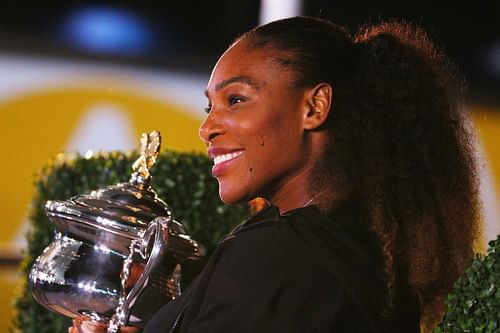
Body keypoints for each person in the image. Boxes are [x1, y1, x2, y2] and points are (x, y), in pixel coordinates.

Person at [70, 16, 480, 333]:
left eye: (236, 99)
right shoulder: (368, 255)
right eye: (209, 107)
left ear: (314, 106)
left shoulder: (276, 256)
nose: (207, 128)